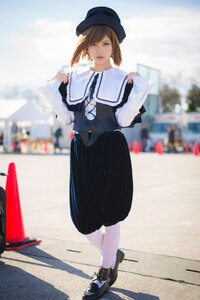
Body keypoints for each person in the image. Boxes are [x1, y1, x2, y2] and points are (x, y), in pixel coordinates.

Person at [38, 6, 153, 299]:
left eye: (105, 43)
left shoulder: (123, 79)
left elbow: (124, 120)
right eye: (94, 42)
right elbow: (66, 119)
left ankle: (104, 272)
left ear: (114, 45)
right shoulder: (73, 78)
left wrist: (138, 87)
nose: (99, 49)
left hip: (110, 149)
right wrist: (53, 88)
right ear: (85, 45)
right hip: (81, 149)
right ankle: (111, 254)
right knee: (84, 219)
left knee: (111, 214)